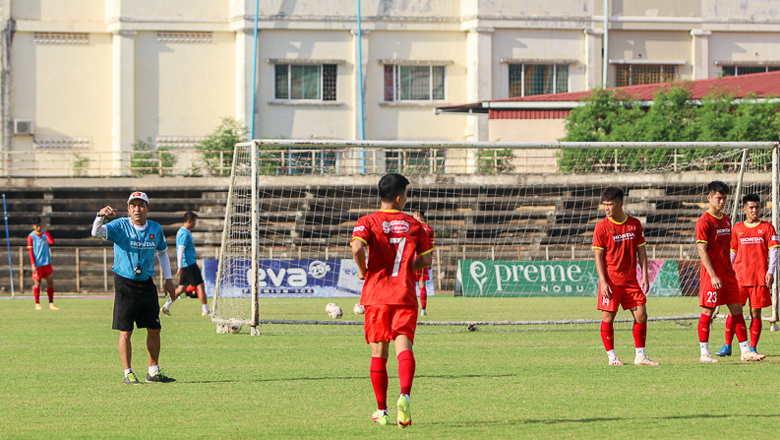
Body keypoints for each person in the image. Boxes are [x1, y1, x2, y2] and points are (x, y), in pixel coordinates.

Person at [351, 173, 433, 428]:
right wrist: (408, 268)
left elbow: (356, 248)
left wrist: (364, 270)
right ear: (399, 198)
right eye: (407, 195)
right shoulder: (414, 225)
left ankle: (382, 411)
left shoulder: (368, 221)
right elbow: (427, 261)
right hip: (404, 295)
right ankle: (405, 396)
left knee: (379, 354)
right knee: (404, 349)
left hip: (376, 296)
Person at [91, 191, 177, 385]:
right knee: (126, 331)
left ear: (148, 208)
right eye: (133, 206)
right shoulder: (120, 225)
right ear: (128, 209)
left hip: (146, 283)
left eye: (141, 205)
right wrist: (100, 215)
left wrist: (169, 279)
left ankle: (153, 372)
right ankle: (128, 372)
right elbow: (96, 233)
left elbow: (162, 252)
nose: (137, 209)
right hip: (125, 283)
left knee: (154, 328)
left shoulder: (155, 228)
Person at [695, 181, 763, 363]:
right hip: (713, 275)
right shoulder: (704, 222)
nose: (722, 201)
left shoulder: (726, 219)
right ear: (709, 198)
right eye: (718, 198)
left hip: (729, 274)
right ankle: (704, 353)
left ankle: (745, 351)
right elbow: (702, 250)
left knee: (737, 310)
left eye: (724, 198)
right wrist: (713, 274)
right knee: (708, 312)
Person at [592, 187, 659, 366]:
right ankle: (612, 356)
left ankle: (640, 356)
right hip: (611, 282)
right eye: (604, 205)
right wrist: (603, 281)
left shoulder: (634, 224)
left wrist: (645, 276)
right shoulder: (601, 227)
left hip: (631, 281)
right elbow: (598, 256)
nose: (606, 208)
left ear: (620, 204)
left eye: (610, 204)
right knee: (608, 318)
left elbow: (642, 252)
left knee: (642, 315)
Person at [715, 194, 777, 358]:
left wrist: (771, 271)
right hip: (738, 279)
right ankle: (728, 345)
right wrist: (727, 272)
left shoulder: (767, 228)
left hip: (759, 279)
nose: (754, 210)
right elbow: (732, 253)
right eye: (751, 207)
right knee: (733, 312)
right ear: (744, 209)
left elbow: (774, 251)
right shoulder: (737, 228)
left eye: (757, 207)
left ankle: (753, 348)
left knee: (756, 313)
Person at [161, 211, 210, 316]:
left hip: (186, 264)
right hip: (189, 264)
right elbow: (180, 250)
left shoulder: (184, 231)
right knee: (200, 285)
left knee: (182, 288)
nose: (195, 224)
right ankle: (206, 310)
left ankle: (166, 306)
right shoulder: (184, 233)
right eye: (194, 221)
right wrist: (180, 266)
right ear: (189, 221)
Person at [27, 216, 58, 310]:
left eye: (40, 225)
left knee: (50, 282)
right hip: (37, 264)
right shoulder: (31, 236)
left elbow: (52, 242)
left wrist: (46, 232)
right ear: (33, 226)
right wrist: (33, 264)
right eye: (37, 226)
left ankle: (51, 303)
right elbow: (30, 252)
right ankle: (37, 303)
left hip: (47, 263)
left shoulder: (45, 234)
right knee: (37, 283)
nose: (39, 228)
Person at [411, 210, 435, 316]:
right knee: (422, 284)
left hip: (412, 257)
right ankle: (423, 310)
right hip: (424, 258)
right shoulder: (429, 229)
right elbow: (431, 247)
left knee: (409, 284)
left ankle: (412, 307)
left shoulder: (412, 226)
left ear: (416, 214)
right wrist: (430, 260)